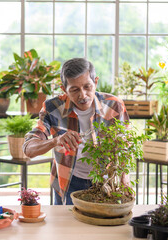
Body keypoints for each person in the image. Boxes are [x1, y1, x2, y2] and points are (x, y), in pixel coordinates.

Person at [23, 58, 129, 205]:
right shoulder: (52, 108)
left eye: (87, 87)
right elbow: (28, 149)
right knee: (66, 227)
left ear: (95, 82)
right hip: (68, 181)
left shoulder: (114, 105)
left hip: (105, 181)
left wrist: (124, 177)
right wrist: (56, 141)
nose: (83, 95)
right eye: (74, 89)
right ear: (64, 89)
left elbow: (124, 145)